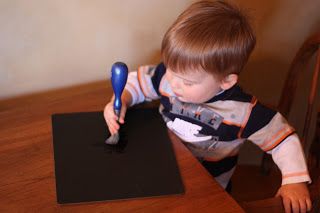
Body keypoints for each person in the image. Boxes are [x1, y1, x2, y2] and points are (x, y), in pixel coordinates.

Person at [104, 1, 312, 212]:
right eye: (170, 69)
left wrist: (294, 181)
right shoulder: (168, 78)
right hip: (161, 168)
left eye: (187, 82)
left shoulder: (244, 112)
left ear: (225, 81)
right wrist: (121, 101)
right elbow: (139, 82)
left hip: (206, 191)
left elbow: (283, 139)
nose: (173, 84)